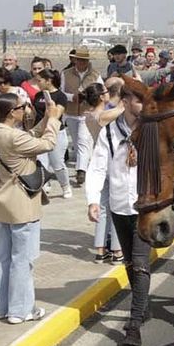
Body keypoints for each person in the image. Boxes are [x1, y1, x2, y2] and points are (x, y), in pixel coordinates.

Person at [85, 88, 160, 346]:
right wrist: (93, 200)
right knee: (129, 262)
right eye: (138, 100)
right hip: (119, 205)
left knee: (140, 263)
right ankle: (144, 306)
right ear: (126, 102)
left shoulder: (153, 130)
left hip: (145, 207)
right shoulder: (109, 132)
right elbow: (97, 167)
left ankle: (133, 325)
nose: (143, 104)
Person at [0, 92, 59, 325]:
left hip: (5, 201)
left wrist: (46, 119)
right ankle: (21, 310)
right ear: (12, 112)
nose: (26, 109)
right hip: (22, 204)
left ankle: (0, 307)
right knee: (23, 259)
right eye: (22, 106)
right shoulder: (13, 137)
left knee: (3, 257)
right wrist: (55, 120)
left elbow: (31, 137)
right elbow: (47, 144)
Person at [82, 81, 125, 262]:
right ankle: (116, 250)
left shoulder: (88, 115)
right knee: (116, 207)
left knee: (102, 207)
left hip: (98, 162)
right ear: (101, 97)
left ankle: (100, 249)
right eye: (105, 92)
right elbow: (121, 109)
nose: (108, 94)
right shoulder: (103, 115)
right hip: (112, 163)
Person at [61, 50, 101, 185]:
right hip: (71, 112)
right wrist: (72, 97)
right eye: (79, 60)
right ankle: (86, 165)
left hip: (86, 113)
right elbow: (61, 92)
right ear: (75, 60)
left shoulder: (96, 75)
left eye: (84, 60)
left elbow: (101, 91)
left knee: (83, 140)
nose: (82, 63)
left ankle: (81, 171)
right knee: (77, 142)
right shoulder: (65, 74)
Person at [32, 69, 73, 198]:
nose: (37, 83)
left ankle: (65, 186)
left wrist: (50, 111)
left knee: (57, 163)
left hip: (56, 132)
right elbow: (34, 113)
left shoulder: (60, 96)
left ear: (48, 81)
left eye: (39, 80)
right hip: (40, 133)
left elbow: (57, 114)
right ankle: (44, 186)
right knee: (41, 162)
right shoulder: (39, 96)